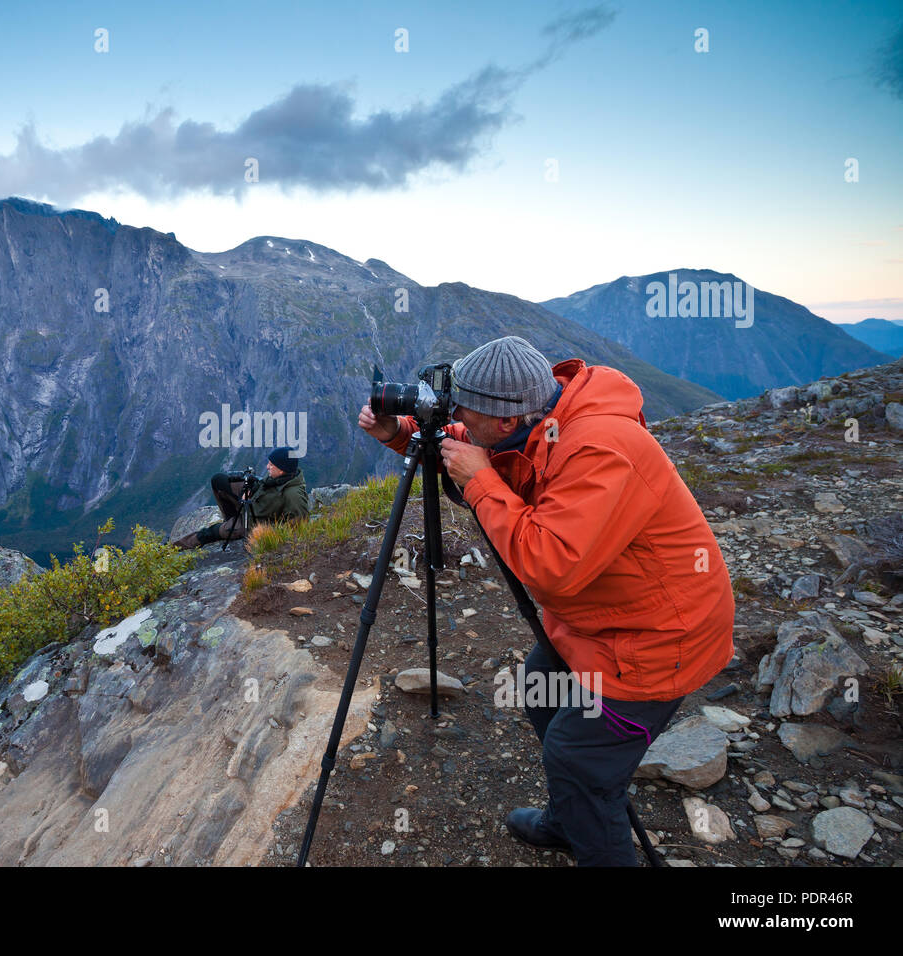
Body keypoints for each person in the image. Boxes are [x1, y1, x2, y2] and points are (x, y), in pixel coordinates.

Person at [359, 334, 735, 866]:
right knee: (541, 688)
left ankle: (587, 806)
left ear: (507, 420)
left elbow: (551, 567)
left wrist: (482, 481)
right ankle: (571, 817)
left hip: (658, 638)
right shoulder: (540, 419)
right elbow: (471, 437)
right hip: (602, 618)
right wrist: (402, 433)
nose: (453, 415)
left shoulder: (600, 448)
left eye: (462, 405)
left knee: (576, 759)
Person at [175, 446, 309, 549]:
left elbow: (299, 527)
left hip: (252, 523)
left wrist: (265, 533)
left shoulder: (293, 495)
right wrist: (252, 487)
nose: (267, 467)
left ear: (282, 470)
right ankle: (230, 519)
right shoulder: (278, 475)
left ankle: (176, 547)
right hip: (252, 503)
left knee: (210, 533)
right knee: (219, 480)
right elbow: (265, 484)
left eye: (271, 465)